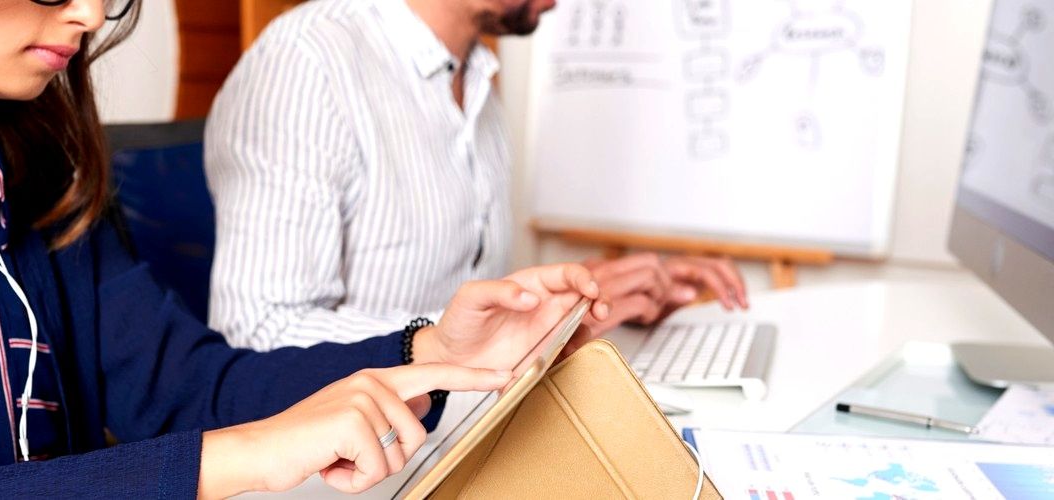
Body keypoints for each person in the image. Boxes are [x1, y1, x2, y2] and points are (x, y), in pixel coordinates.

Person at [0, 0, 610, 497]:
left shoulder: (45, 185)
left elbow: (189, 389)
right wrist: (241, 454)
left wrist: (432, 352)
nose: (88, 14)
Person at [205, 0, 750, 351]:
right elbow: (258, 331)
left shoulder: (479, 81)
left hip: (461, 420)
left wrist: (592, 294)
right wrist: (507, 330)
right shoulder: (308, 61)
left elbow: (464, 294)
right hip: (356, 461)